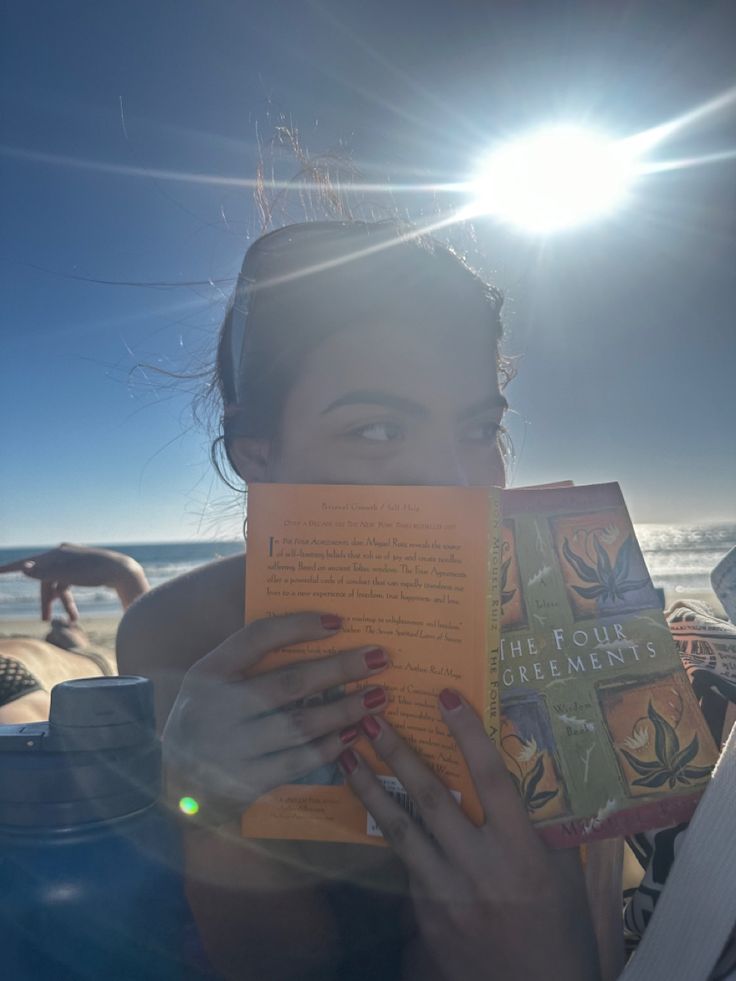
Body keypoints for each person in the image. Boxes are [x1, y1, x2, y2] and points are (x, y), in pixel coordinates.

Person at [116, 220, 602, 981]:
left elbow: (581, 929)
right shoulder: (175, 633)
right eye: (377, 428)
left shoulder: (541, 606)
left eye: (479, 428)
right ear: (258, 453)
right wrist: (208, 816)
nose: (455, 481)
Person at [0, 544, 149, 722]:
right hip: (95, 667)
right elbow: (160, 709)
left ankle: (73, 645)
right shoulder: (8, 684)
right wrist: (127, 576)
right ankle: (77, 646)